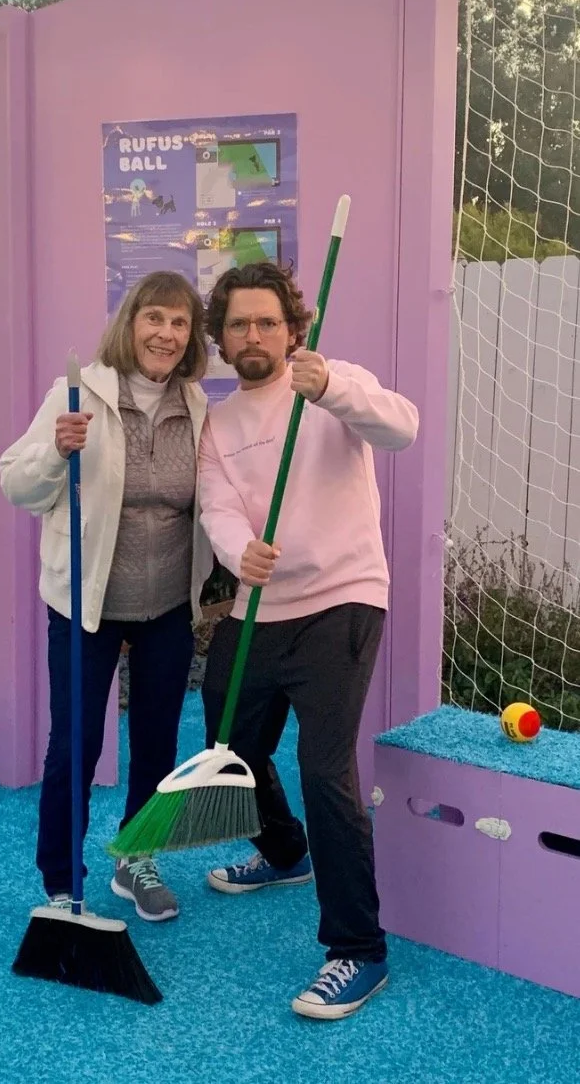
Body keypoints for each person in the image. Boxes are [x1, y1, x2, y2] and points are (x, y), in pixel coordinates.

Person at [196, 260, 418, 1019]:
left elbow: (402, 426)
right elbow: (218, 507)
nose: (253, 335)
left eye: (267, 322)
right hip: (260, 603)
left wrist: (330, 391)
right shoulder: (219, 422)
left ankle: (359, 949)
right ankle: (285, 851)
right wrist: (238, 552)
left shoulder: (330, 380)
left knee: (324, 769)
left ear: (293, 328)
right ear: (222, 338)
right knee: (228, 745)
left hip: (342, 599)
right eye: (238, 324)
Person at [0, 271, 213, 923]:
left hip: (167, 607)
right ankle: (62, 882)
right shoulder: (78, 394)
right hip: (84, 603)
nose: (166, 334)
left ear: (191, 336)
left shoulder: (196, 406)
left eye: (179, 323)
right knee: (75, 745)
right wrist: (54, 451)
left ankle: (135, 859)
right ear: (131, 323)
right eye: (155, 318)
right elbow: (17, 485)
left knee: (156, 742)